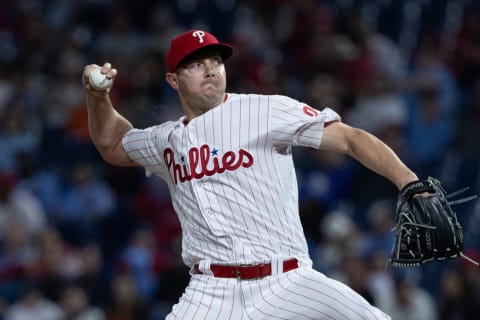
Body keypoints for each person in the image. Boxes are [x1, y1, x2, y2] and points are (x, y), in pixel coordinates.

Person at [82, 29, 420, 319]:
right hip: (210, 291)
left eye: (215, 61)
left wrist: (409, 182)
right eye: (197, 64)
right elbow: (113, 144)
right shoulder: (166, 139)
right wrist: (97, 97)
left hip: (287, 281)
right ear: (173, 79)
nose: (210, 70)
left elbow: (349, 138)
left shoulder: (265, 111)